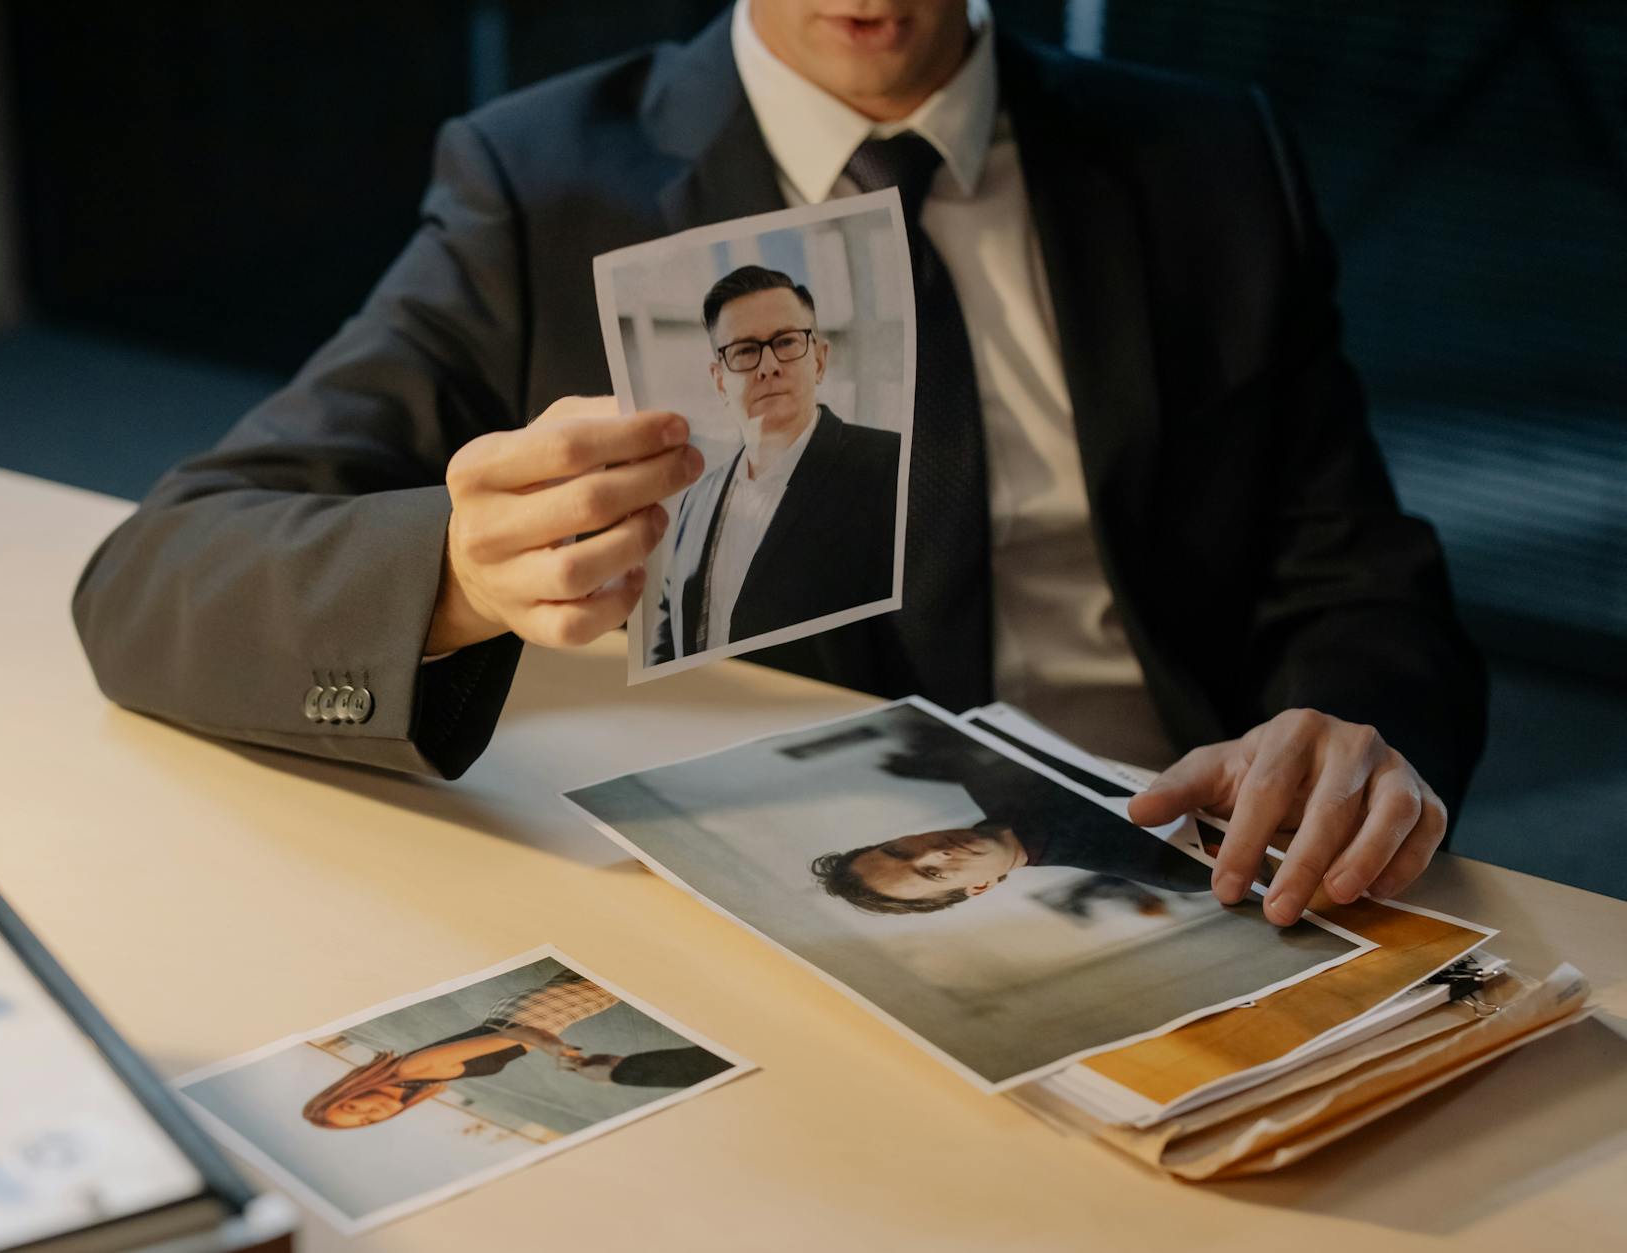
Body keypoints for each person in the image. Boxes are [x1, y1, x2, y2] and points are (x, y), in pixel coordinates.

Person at [72, 0, 1486, 930]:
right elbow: (151, 581)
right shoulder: (538, 182)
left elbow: (1361, 580)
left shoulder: (1208, 160)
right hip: (758, 891)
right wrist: (449, 576)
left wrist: (1355, 731)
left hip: (1180, 863)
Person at [651, 264, 900, 663]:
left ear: (819, 360)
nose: (768, 366)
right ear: (719, 381)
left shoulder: (890, 466)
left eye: (785, 342)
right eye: (745, 350)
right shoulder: (696, 498)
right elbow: (670, 627)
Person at [302, 969, 729, 1129]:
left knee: (614, 974)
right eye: (364, 1122)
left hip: (534, 1016)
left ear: (348, 1091)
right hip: (535, 1015)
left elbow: (517, 1036)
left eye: (352, 1108)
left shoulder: (419, 1066)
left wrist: (560, 1053)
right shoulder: (422, 1079)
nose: (370, 1112)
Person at [811, 753, 1216, 915]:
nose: (934, 854)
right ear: (981, 886)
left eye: (899, 850)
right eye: (932, 875)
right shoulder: (1165, 868)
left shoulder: (979, 765)